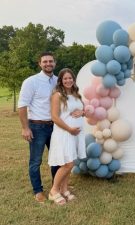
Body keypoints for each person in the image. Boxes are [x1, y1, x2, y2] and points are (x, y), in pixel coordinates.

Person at [18, 52, 60, 203]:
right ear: (40, 64)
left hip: (55, 126)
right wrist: (25, 128)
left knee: (56, 159)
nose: (48, 64)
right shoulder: (31, 81)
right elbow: (22, 106)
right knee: (36, 161)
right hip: (37, 126)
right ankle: (38, 191)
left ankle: (56, 187)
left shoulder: (58, 81)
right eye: (45, 61)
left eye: (51, 61)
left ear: (55, 63)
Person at [48, 68, 86, 205]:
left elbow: (84, 110)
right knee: (67, 164)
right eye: (65, 78)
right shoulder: (57, 95)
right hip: (64, 133)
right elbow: (54, 117)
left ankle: (64, 189)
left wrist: (82, 112)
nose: (68, 80)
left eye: (70, 78)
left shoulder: (76, 94)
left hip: (76, 134)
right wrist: (70, 129)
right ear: (61, 81)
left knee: (71, 161)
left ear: (74, 80)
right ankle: (53, 191)